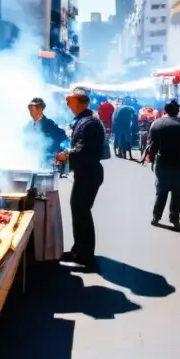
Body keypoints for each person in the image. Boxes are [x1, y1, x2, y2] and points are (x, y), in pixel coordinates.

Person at [56, 88, 106, 266]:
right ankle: (79, 250)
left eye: (70, 100)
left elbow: (83, 149)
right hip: (86, 172)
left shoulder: (89, 123)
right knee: (79, 212)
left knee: (81, 212)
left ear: (81, 102)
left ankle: (85, 256)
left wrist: (66, 155)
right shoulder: (84, 121)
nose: (67, 104)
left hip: (89, 173)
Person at [148, 99, 180, 228]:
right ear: (177, 111)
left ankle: (156, 217)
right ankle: (175, 218)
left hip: (163, 161)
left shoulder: (157, 124)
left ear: (165, 110)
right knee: (177, 190)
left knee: (161, 190)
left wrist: (151, 160)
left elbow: (152, 146)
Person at [27, 97, 68, 162]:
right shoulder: (27, 127)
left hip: (48, 164)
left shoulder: (50, 125)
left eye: (36, 108)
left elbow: (64, 141)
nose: (32, 110)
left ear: (41, 109)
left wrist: (60, 154)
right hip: (29, 163)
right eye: (30, 108)